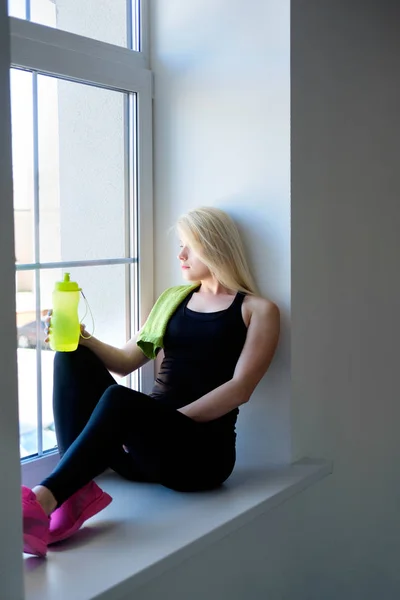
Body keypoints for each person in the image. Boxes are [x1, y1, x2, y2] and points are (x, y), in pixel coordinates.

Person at [21, 206, 280, 557]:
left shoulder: (258, 310)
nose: (181, 255)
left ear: (216, 246)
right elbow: (126, 362)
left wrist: (156, 425)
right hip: (145, 454)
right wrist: (84, 340)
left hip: (200, 458)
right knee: (71, 356)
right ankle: (72, 490)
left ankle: (42, 499)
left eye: (190, 245)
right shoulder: (173, 300)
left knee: (119, 401)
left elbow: (240, 389)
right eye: (180, 245)